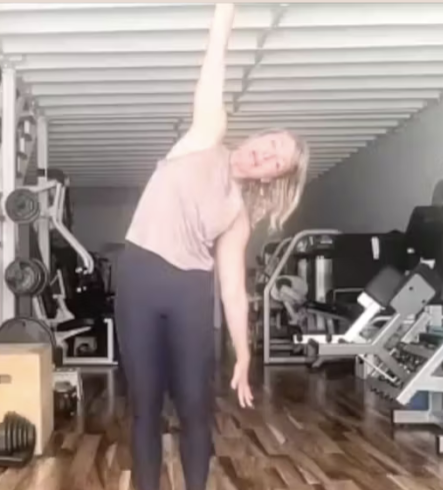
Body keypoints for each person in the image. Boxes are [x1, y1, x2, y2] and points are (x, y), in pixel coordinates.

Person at [114, 4, 311, 490]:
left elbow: (233, 289)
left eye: (275, 159)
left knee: (194, 408)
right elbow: (213, 67)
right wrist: (225, 14)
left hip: (189, 293)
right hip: (138, 276)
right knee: (144, 406)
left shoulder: (238, 216)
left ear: (273, 178)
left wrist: (243, 354)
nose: (263, 152)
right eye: (269, 141)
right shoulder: (207, 135)